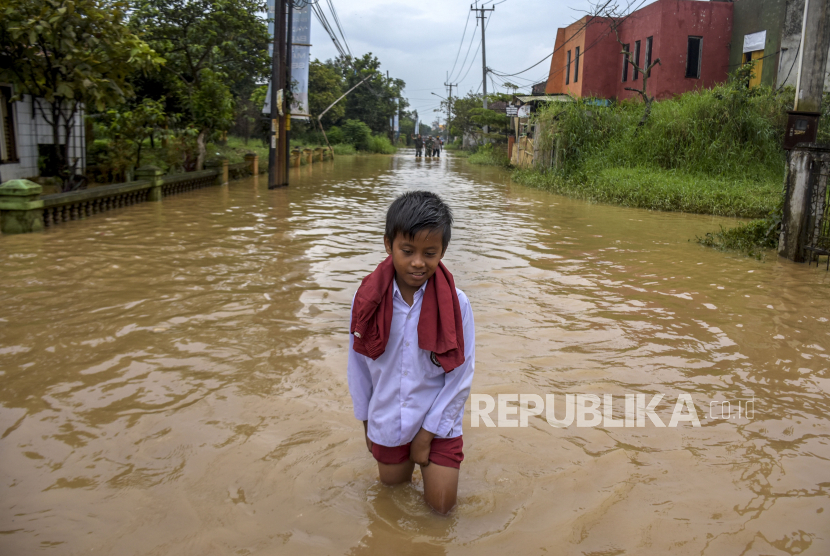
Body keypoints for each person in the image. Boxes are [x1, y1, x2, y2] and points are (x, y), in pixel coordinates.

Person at [348, 191, 475, 515]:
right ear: (388, 244)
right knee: (391, 502)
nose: (418, 262)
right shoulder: (367, 299)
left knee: (442, 510)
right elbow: (359, 367)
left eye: (430, 253)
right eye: (407, 251)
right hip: (388, 419)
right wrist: (366, 424)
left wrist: (425, 436)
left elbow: (461, 376)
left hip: (440, 421)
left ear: (442, 252)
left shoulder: (456, 303)